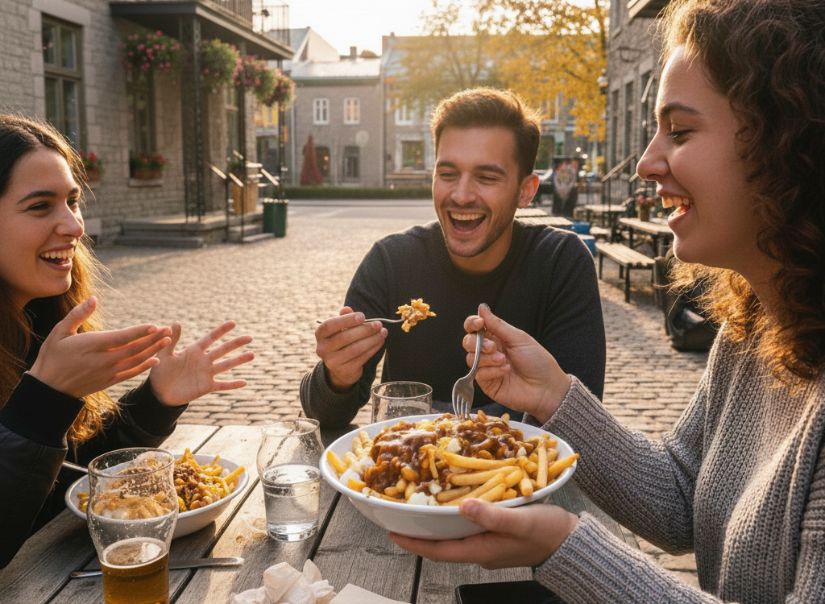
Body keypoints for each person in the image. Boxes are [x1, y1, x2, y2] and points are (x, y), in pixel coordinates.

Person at [391, 1, 825, 601]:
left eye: (680, 130)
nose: (647, 161)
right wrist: (554, 397)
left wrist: (566, 547)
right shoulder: (752, 326)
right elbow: (680, 502)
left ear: (786, 139)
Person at [0, 114, 255, 567]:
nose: (74, 226)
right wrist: (43, 401)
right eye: (41, 206)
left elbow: (69, 480)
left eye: (73, 201)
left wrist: (158, 399)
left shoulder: (38, 319)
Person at [301, 88, 605, 427]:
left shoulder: (560, 263)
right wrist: (336, 376)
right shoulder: (391, 261)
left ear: (526, 191)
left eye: (486, 178)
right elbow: (323, 415)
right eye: (447, 174)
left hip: (523, 477)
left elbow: (585, 426)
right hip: (408, 470)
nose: (460, 195)